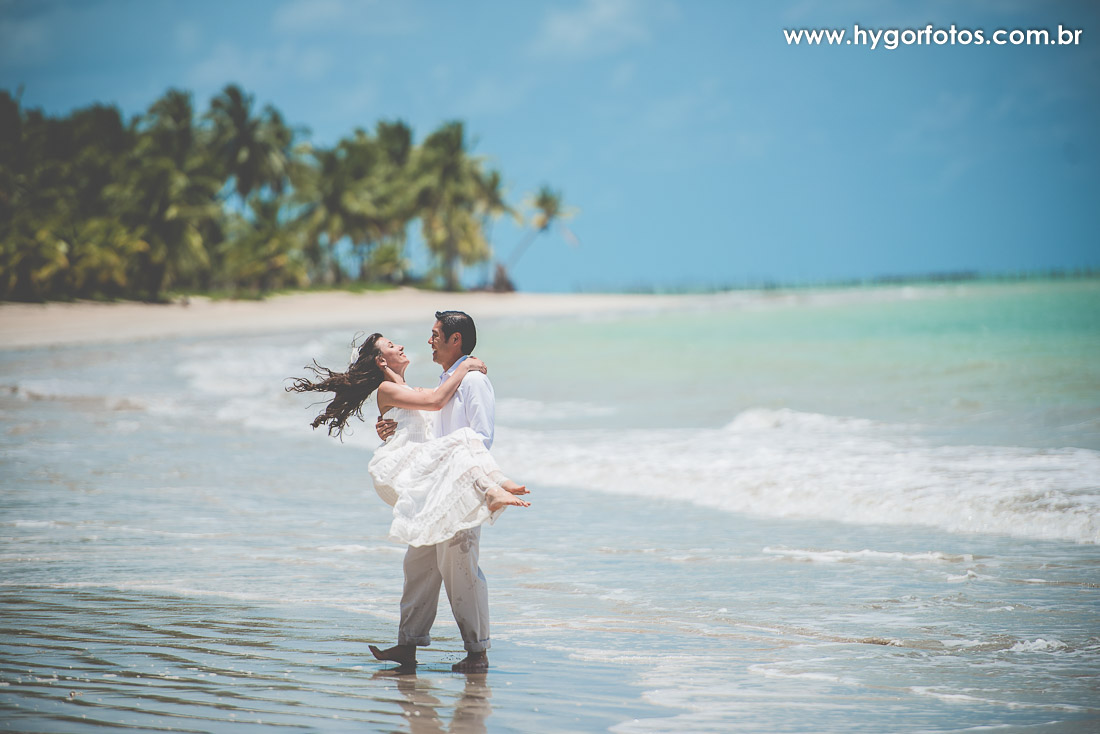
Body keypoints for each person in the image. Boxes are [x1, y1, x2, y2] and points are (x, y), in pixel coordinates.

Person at [372, 311, 515, 673]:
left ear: (456, 340)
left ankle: (477, 652)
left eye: (436, 335)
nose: (429, 341)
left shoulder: (473, 380)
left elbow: (480, 437)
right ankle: (407, 645)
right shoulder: (446, 381)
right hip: (432, 490)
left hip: (460, 489)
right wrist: (391, 428)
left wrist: (478, 480)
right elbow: (426, 420)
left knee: (460, 570)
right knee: (418, 566)